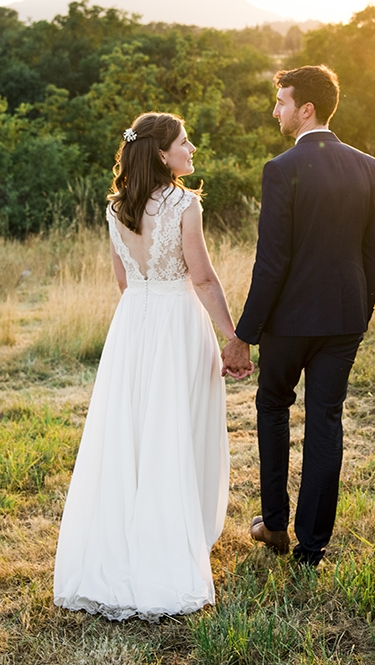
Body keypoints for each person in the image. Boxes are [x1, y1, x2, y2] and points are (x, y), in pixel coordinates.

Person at [53, 112, 249, 621]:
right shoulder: (186, 204)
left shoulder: (116, 207)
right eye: (185, 142)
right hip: (176, 323)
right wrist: (234, 338)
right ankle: (168, 548)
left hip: (132, 327)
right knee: (176, 429)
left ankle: (121, 547)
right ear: (162, 153)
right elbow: (202, 279)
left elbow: (122, 280)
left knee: (131, 433)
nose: (192, 149)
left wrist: (141, 318)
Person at [221, 65, 375, 567]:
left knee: (272, 408)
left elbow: (272, 262)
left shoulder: (281, 169)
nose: (276, 111)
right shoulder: (367, 166)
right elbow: (373, 254)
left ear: (306, 108)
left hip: (289, 322)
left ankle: (274, 524)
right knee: (325, 422)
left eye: (281, 102)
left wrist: (243, 335)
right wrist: (359, 313)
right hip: (344, 320)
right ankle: (311, 547)